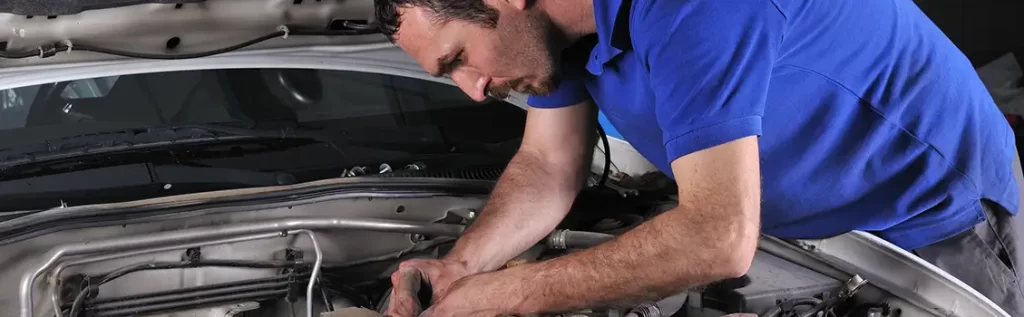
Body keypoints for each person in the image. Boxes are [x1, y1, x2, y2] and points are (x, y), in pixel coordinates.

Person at [371, 0, 1024, 315]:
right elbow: (549, 164)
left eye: (457, 59)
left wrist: (502, 297)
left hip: (935, 222)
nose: (474, 89)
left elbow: (716, 237)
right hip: (802, 228)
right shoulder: (551, 34)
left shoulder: (694, 5)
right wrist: (461, 269)